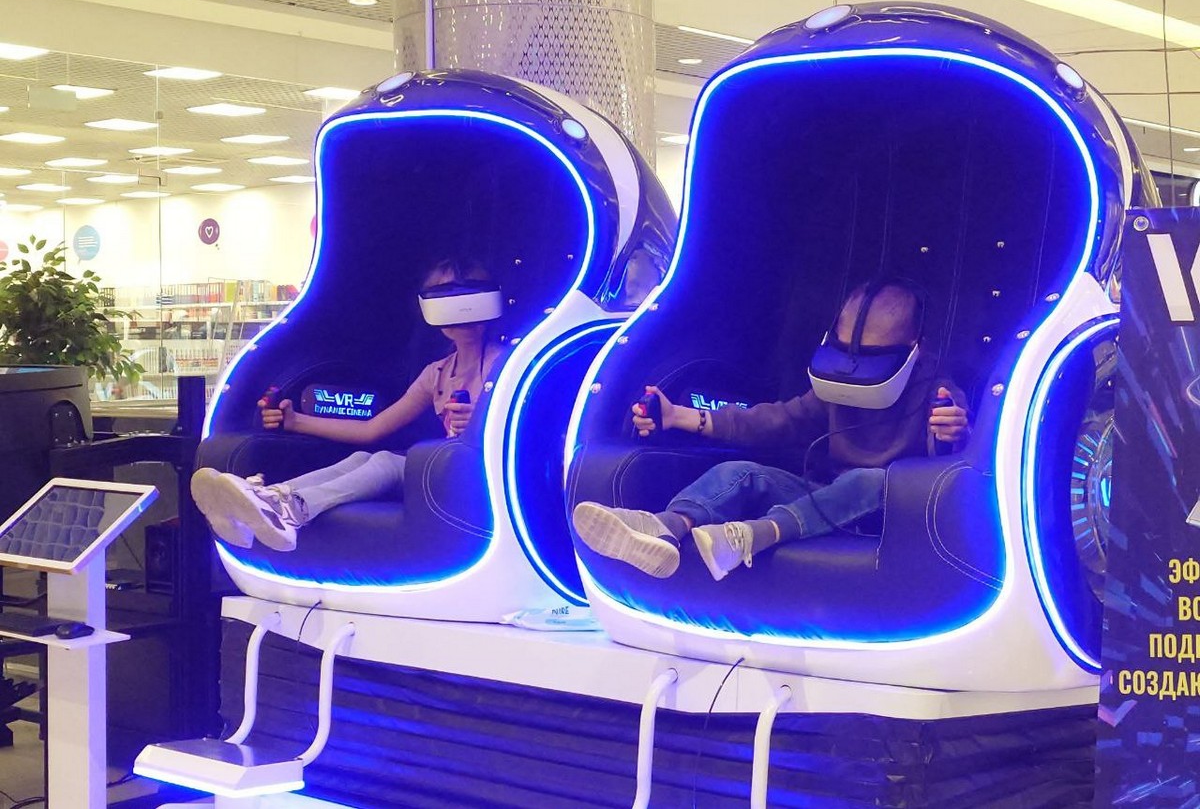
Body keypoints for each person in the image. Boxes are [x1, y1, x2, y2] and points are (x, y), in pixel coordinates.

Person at [572, 280, 971, 582]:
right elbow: (775, 421)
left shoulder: (936, 390)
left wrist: (949, 436)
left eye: (870, 355)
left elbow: (954, 450)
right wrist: (680, 416)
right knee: (740, 474)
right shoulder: (836, 386)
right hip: (821, 503)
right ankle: (664, 529)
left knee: (870, 480)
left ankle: (752, 536)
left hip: (886, 513)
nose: (853, 366)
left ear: (913, 346)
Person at [191, 258, 503, 552]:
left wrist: (481, 423)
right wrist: (295, 421)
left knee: (388, 462)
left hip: (481, 475)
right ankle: (270, 498)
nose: (462, 312)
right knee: (361, 458)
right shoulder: (437, 373)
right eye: (446, 298)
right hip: (446, 469)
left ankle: (293, 509)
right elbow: (372, 430)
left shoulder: (509, 363)